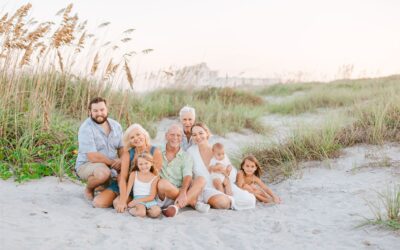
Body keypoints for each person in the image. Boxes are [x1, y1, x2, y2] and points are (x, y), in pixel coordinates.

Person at [187, 123, 256, 210]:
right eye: (194, 135)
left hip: (224, 184)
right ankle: (226, 200)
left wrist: (225, 171)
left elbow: (232, 175)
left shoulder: (217, 149)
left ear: (207, 133)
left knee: (249, 199)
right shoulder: (190, 152)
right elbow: (189, 174)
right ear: (192, 137)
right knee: (222, 202)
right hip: (206, 189)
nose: (198, 137)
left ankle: (229, 200)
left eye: (201, 133)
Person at [103, 123, 162, 210]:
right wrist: (123, 199)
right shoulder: (128, 153)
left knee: (117, 202)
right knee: (99, 203)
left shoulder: (155, 151)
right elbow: (122, 178)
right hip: (127, 187)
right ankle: (122, 198)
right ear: (129, 141)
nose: (136, 139)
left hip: (144, 190)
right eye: (132, 137)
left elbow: (156, 176)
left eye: (138, 134)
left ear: (144, 134)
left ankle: (132, 202)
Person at [75, 97, 123, 204]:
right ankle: (89, 189)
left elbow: (122, 148)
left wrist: (122, 161)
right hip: (87, 164)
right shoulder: (86, 128)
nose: (99, 113)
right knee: (103, 173)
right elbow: (92, 156)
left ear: (107, 109)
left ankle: (101, 186)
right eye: (95, 111)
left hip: (110, 164)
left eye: (102, 110)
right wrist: (113, 164)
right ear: (90, 112)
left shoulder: (116, 126)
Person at [157, 124, 209, 217]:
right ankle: (192, 202)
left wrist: (183, 192)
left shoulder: (186, 156)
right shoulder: (158, 151)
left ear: (182, 138)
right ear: (166, 136)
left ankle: (176, 207)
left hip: (181, 192)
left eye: (178, 135)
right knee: (162, 183)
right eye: (172, 135)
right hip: (165, 193)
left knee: (201, 179)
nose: (175, 138)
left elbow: (187, 176)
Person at [124, 152, 161, 218]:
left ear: (151, 163)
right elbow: (128, 191)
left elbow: (152, 196)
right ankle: (131, 210)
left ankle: (146, 210)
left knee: (156, 212)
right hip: (138, 198)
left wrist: (136, 201)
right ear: (137, 165)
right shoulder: (134, 174)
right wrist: (125, 201)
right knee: (141, 213)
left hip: (149, 200)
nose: (143, 166)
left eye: (146, 163)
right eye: (140, 164)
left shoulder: (155, 177)